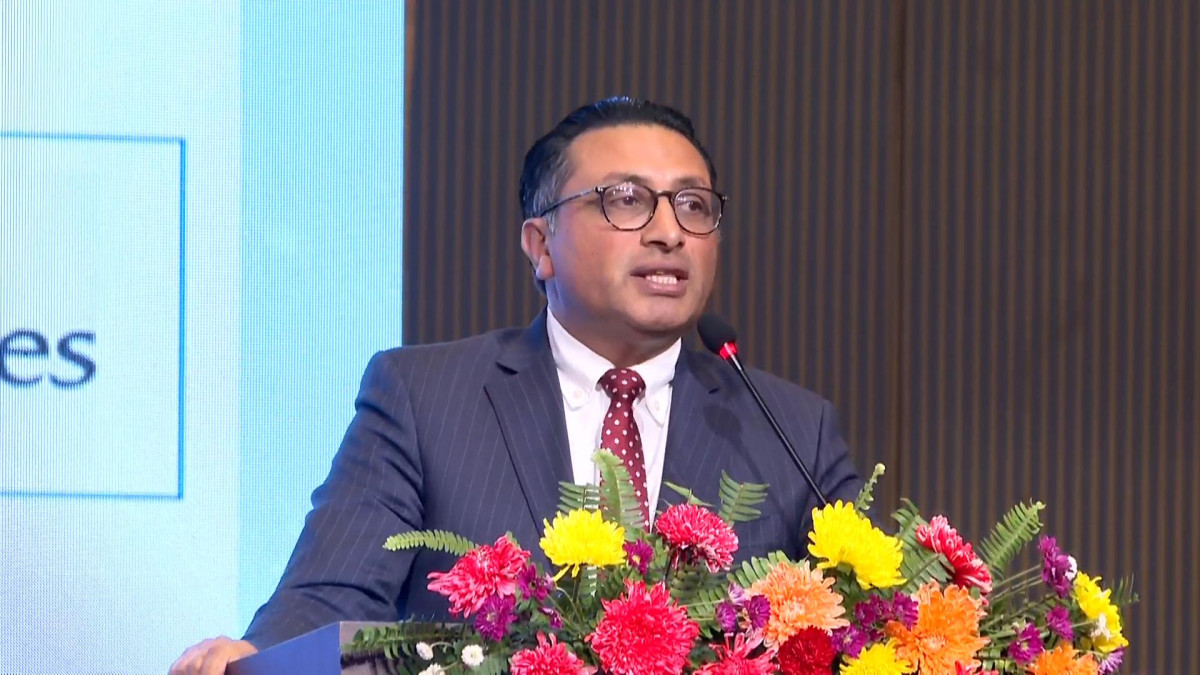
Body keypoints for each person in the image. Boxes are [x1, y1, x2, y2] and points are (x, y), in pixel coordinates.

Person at [169, 97, 864, 674]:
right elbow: (332, 591)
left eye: (693, 204)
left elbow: (874, 626)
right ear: (540, 244)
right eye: (626, 200)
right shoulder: (424, 398)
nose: (668, 232)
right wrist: (261, 655)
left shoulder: (790, 429)